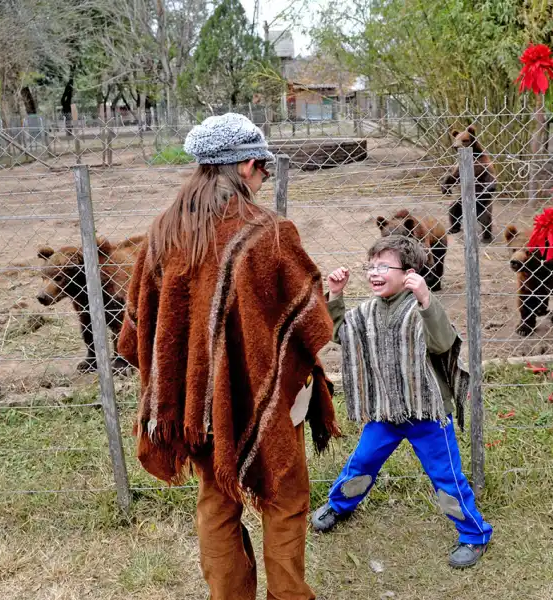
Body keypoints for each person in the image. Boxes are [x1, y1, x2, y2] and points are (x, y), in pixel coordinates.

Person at [118, 112, 340, 600]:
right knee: (285, 497)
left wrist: (188, 384)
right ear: (243, 166)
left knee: (217, 501)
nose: (263, 179)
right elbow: (309, 320)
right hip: (270, 402)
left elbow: (141, 331)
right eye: (262, 168)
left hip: (197, 408)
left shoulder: (162, 234)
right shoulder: (271, 233)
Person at [310, 235, 493, 569]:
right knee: (362, 462)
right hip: (385, 413)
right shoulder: (367, 312)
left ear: (409, 273)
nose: (374, 272)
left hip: (427, 414)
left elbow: (441, 343)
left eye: (384, 266)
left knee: (446, 476)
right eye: (372, 266)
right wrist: (335, 295)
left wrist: (425, 298)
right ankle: (339, 505)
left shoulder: (421, 309)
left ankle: (474, 534)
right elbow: (340, 332)